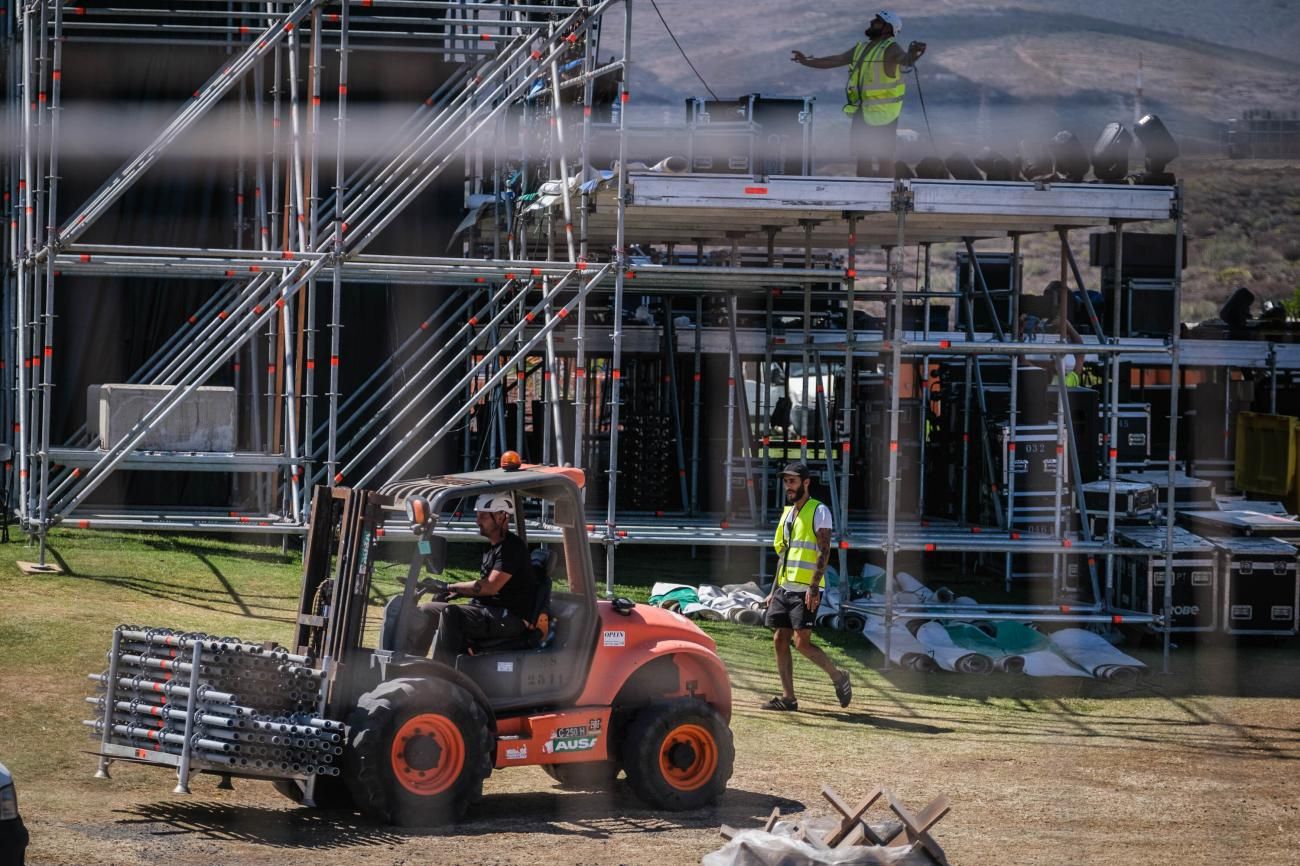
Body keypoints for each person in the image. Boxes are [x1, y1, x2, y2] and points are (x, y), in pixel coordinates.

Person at [790, 10, 926, 177]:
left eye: (877, 21)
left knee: (884, 157)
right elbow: (836, 60)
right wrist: (806, 61)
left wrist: (914, 54)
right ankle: (865, 193)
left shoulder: (891, 47)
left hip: (884, 114)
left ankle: (885, 194)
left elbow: (906, 61)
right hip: (863, 111)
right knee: (863, 156)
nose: (871, 22)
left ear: (888, 27)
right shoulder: (862, 47)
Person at [761, 461, 852, 711]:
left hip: (807, 589)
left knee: (801, 643)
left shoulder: (819, 510)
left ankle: (838, 676)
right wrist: (773, 590)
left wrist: (813, 588)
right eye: (785, 481)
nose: (788, 486)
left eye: (792, 481)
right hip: (785, 587)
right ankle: (788, 698)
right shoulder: (788, 513)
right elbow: (784, 554)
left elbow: (823, 550)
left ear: (806, 482)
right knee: (780, 639)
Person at [409, 493, 539, 666]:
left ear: (502, 516)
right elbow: (485, 587)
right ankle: (414, 664)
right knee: (427, 609)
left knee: (451, 614)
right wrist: (449, 592)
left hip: (510, 618)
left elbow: (490, 587)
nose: (478, 521)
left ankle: (441, 670)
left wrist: (449, 585)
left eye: (483, 516)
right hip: (489, 611)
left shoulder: (512, 548)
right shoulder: (493, 548)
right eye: (478, 516)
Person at [1019, 280, 1085, 386]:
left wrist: (1020, 331)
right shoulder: (1071, 380)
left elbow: (1023, 361)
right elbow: (1081, 352)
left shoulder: (1042, 381)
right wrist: (1068, 327)